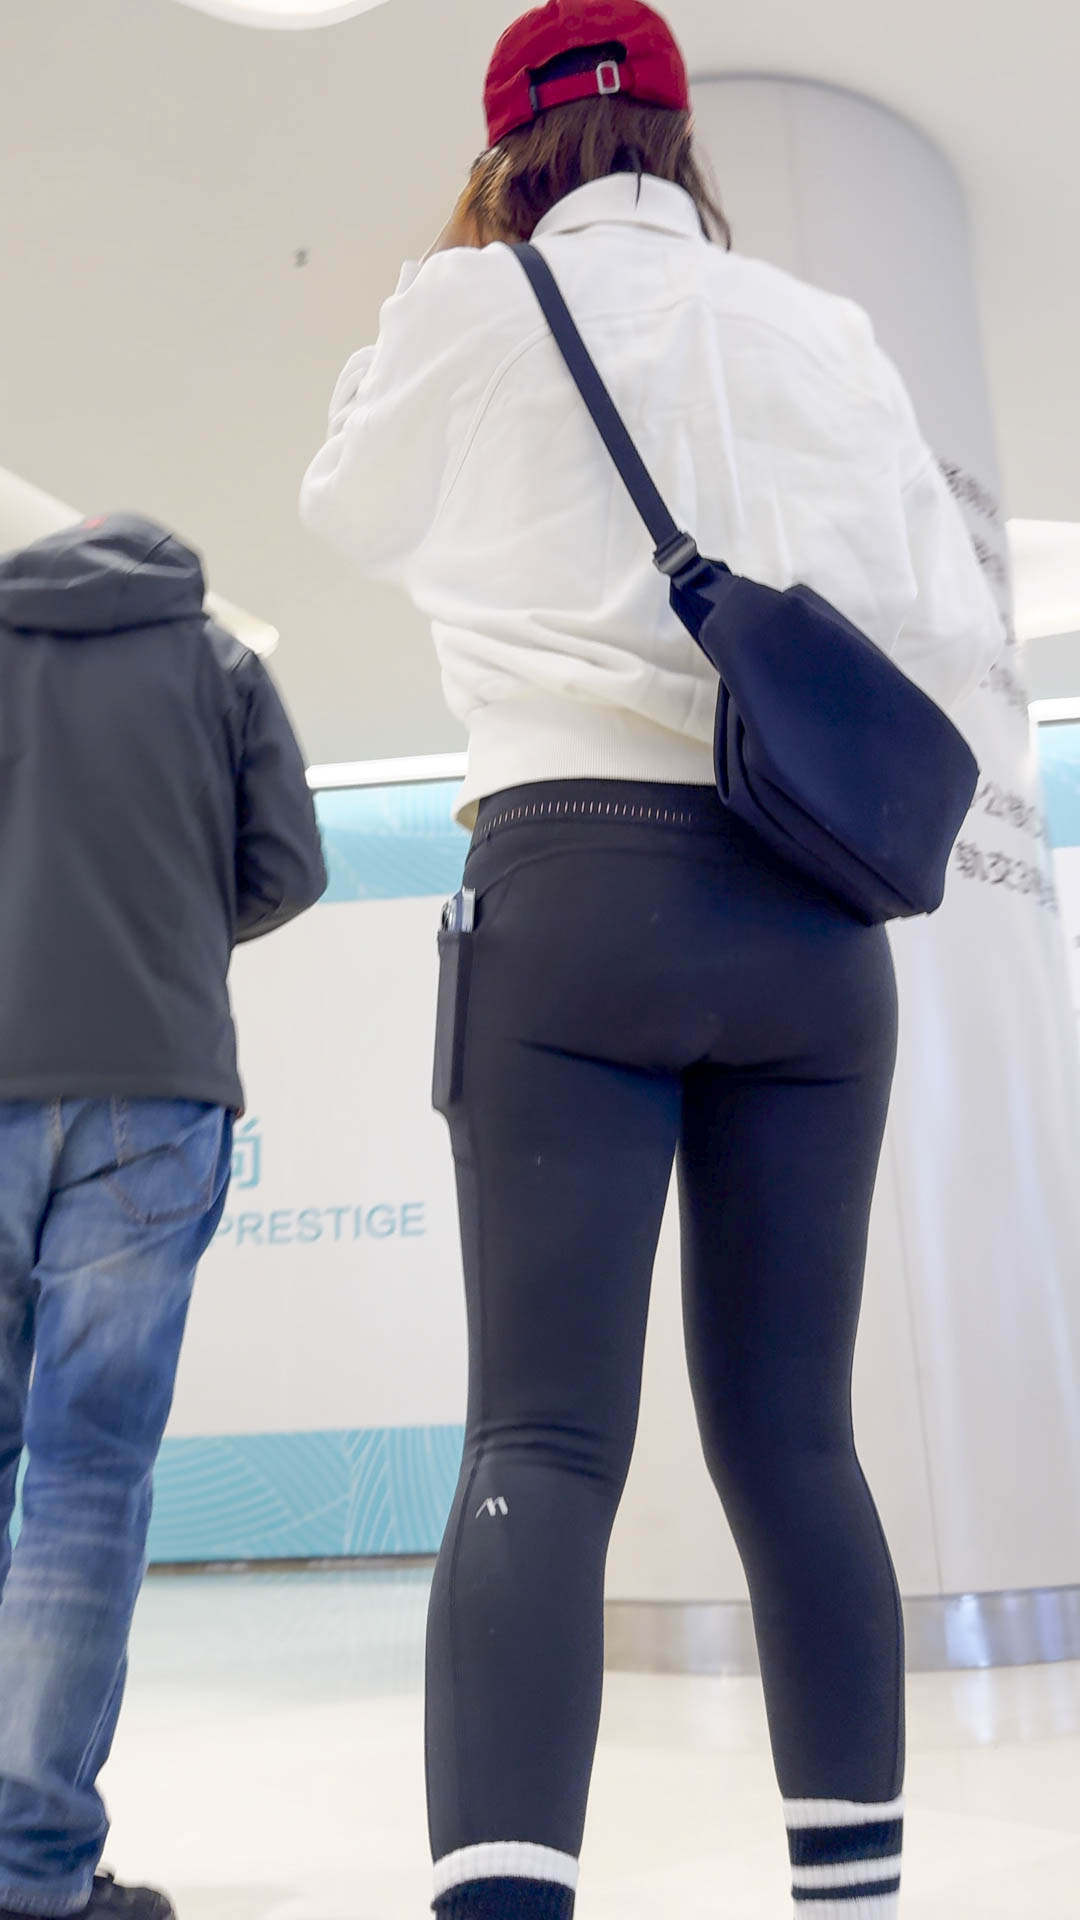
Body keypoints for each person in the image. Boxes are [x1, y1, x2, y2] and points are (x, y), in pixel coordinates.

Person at [300, 4, 1003, 1915]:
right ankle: (852, 1897)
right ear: (682, 142)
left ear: (507, 151)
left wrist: (457, 281)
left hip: (569, 893)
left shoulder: (472, 307)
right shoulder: (823, 332)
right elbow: (944, 630)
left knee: (541, 1436)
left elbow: (346, 502)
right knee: (799, 1444)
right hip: (812, 919)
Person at [0, 514, 326, 1920]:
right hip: (154, 1085)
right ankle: (30, 1872)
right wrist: (173, 925)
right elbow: (288, 866)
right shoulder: (219, 662)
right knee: (87, 1481)